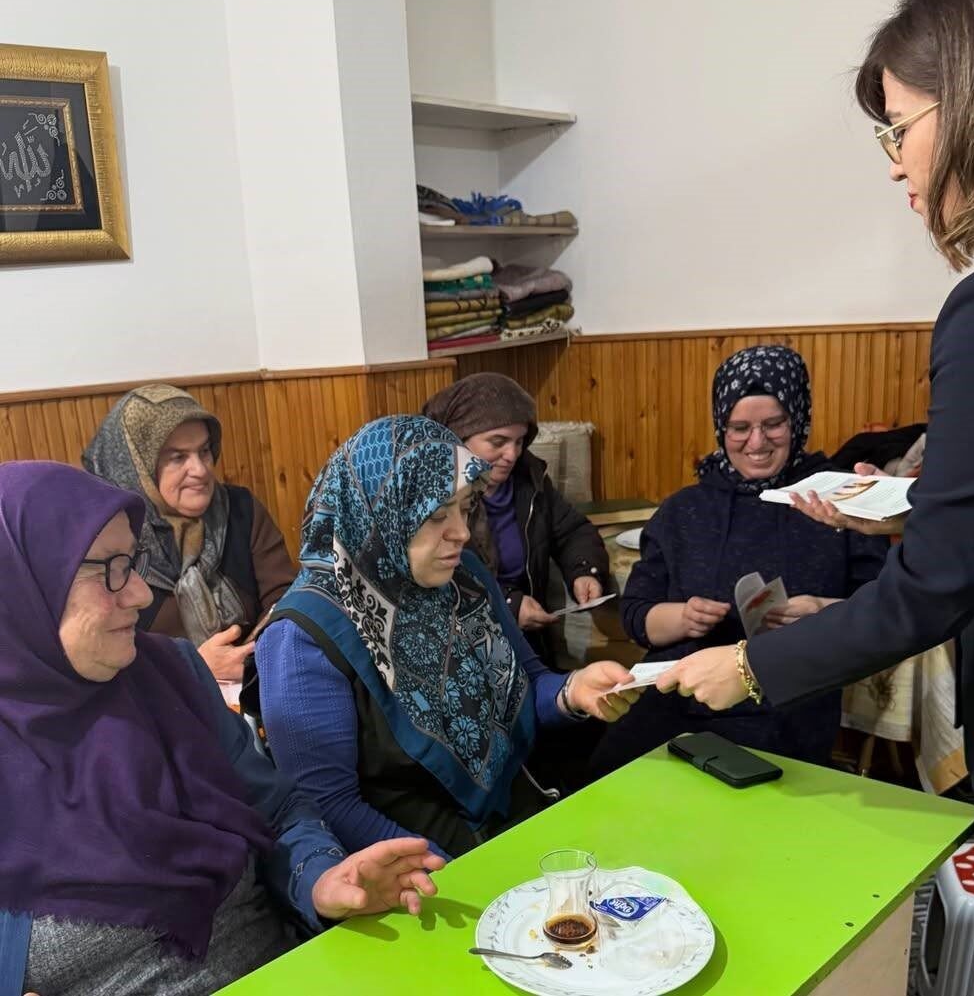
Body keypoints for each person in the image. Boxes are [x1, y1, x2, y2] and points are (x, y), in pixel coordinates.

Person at [657, 0, 974, 995]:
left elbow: (937, 587)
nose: (895, 164)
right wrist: (919, 513)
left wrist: (750, 665)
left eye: (899, 127)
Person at [0, 461, 444, 996]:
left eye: (133, 562)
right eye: (109, 569)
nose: (141, 594)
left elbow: (278, 811)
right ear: (22, 587)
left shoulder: (170, 676)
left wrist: (319, 878)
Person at [253, 416, 638, 862]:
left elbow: (527, 685)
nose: (461, 532)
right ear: (380, 512)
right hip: (411, 860)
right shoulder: (302, 638)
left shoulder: (462, 578)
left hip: (510, 816)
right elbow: (327, 806)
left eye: (465, 508)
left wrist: (573, 691)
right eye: (437, 515)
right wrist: (451, 870)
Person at [588, 345, 889, 777]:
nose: (757, 442)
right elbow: (636, 615)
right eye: (739, 428)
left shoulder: (832, 503)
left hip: (786, 700)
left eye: (774, 425)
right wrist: (682, 618)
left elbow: (883, 610)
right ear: (720, 427)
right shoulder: (683, 510)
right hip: (678, 698)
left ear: (798, 420)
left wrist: (820, 610)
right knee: (609, 779)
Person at [83, 384, 295, 682]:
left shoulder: (240, 510)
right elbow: (93, 650)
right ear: (136, 467)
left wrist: (256, 654)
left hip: (255, 680)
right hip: (154, 699)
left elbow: (284, 596)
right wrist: (192, 667)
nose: (201, 469)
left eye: (204, 451)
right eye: (177, 457)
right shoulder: (103, 538)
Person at [421, 372, 609, 664]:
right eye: (498, 442)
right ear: (457, 439)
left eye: (519, 441)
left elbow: (572, 530)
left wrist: (585, 571)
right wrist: (509, 604)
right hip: (465, 652)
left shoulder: (529, 481)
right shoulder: (433, 500)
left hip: (529, 647)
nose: (512, 454)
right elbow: (444, 582)